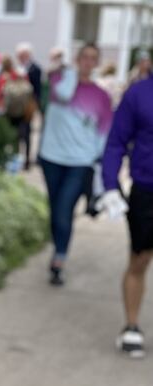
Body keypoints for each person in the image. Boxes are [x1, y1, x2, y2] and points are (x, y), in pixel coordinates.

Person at [38, 43, 112, 286]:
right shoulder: (60, 80)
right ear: (77, 59)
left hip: (80, 161)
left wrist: (97, 160)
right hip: (52, 157)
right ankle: (59, 248)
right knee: (55, 208)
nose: (88, 63)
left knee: (64, 210)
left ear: (98, 63)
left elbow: (103, 133)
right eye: (84, 57)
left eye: (93, 59)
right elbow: (65, 95)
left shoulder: (102, 97)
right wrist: (70, 73)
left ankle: (59, 259)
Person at [101, 69, 153, 357]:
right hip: (147, 190)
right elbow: (116, 141)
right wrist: (110, 185)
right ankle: (131, 326)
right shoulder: (139, 93)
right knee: (140, 258)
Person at [15, 42, 42, 168]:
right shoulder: (16, 68)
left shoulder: (35, 68)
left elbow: (38, 89)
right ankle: (16, 158)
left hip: (28, 106)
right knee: (16, 133)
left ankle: (27, 160)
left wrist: (35, 105)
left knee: (26, 132)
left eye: (21, 55)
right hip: (16, 106)